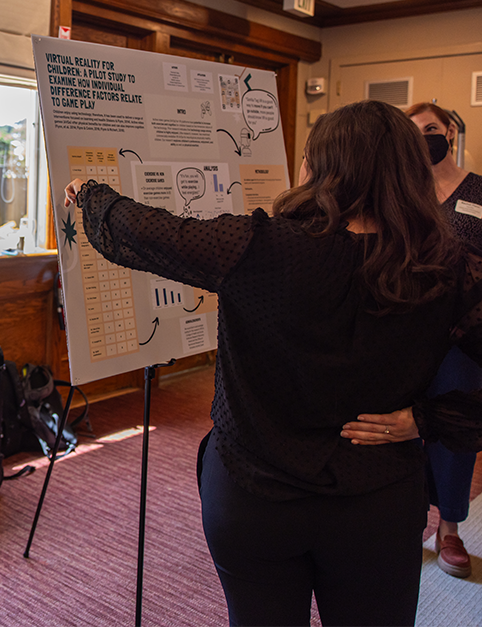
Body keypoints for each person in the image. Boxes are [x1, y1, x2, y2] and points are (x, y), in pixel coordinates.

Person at [64, 100, 482, 627]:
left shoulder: (261, 245)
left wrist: (91, 195)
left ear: (321, 169)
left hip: (251, 495)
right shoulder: (445, 263)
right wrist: (427, 421)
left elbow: (146, 234)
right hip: (377, 502)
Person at [352, 102, 482, 579]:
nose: (425, 137)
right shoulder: (401, 195)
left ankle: (450, 527)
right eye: (414, 132)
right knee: (395, 425)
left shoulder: (480, 191)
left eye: (431, 129)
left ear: (449, 131)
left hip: (464, 341)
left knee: (452, 426)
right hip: (406, 330)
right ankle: (404, 521)